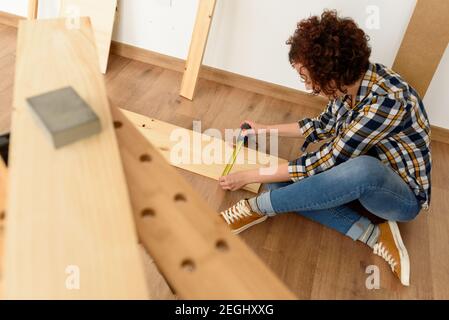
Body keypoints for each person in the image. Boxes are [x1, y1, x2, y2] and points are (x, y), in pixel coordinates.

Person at [218, 10, 431, 287]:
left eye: (307, 77)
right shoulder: (348, 86)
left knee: (359, 170)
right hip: (358, 170)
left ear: (329, 72)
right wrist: (262, 128)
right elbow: (321, 125)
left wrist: (250, 175)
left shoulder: (388, 102)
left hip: (399, 197)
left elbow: (326, 160)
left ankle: (255, 209)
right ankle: (373, 235)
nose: (307, 86)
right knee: (279, 186)